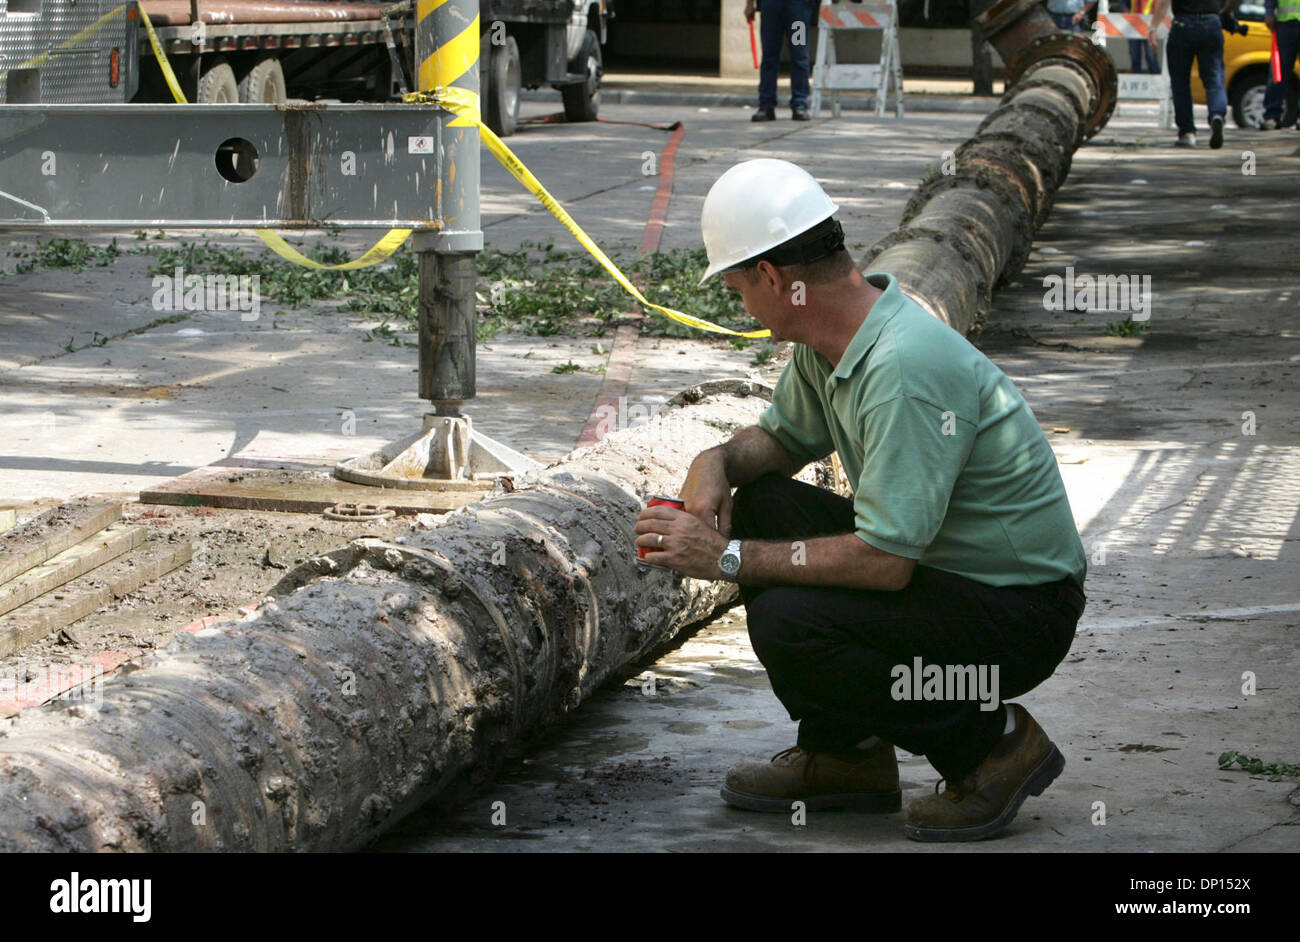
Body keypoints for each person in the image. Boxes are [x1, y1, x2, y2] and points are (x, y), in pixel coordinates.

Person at [634, 159, 1088, 842]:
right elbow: (780, 442)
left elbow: (885, 564)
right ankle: (847, 756)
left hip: (1019, 609)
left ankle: (991, 747)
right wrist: (716, 463)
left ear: (772, 278)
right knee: (764, 501)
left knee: (791, 621)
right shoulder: (832, 341)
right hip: (956, 576)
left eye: (736, 289)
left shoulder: (903, 369)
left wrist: (724, 558)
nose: (742, 308)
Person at [1150, 0, 1236, 147]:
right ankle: (1217, 115)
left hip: (1183, 24)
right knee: (1214, 78)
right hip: (1211, 22)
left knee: (1180, 82)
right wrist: (1227, 10)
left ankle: (1187, 132)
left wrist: (1153, 28)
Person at [745, 0, 817, 121]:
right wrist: (749, 4)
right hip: (771, 5)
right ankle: (766, 106)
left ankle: (799, 105)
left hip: (797, 6)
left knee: (799, 55)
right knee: (769, 56)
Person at [1262, 0, 1300, 129]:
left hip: (1285, 27)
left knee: (1278, 71)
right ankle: (1272, 115)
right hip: (1285, 26)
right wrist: (1269, 12)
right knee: (1278, 72)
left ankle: (1272, 115)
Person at [1127, 0, 1163, 72]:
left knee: (1151, 57)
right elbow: (1124, 4)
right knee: (1135, 57)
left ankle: (1156, 80)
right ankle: (1137, 79)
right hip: (1133, 25)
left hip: (1149, 25)